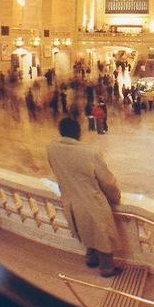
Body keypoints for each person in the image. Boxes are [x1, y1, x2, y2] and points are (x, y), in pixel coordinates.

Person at [47, 117, 123, 278]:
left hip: (70, 201)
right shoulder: (89, 152)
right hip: (92, 202)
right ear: (78, 132)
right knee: (102, 235)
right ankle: (107, 269)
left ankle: (91, 259)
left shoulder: (51, 148)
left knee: (84, 230)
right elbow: (107, 182)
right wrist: (116, 197)